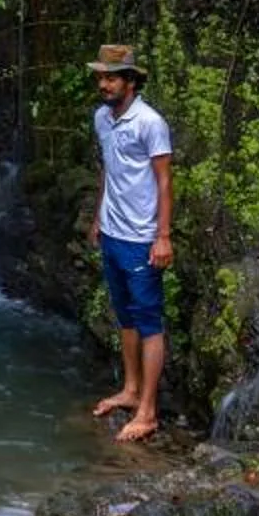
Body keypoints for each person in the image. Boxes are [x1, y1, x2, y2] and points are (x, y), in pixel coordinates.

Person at [83, 43, 174, 443]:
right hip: (114, 232)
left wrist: (163, 237)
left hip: (142, 238)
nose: (104, 84)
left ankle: (149, 411)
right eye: (101, 77)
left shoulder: (150, 122)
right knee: (125, 316)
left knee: (149, 321)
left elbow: (164, 181)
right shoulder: (102, 119)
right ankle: (131, 389)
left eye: (112, 77)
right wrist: (99, 216)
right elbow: (109, 168)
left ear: (131, 81)